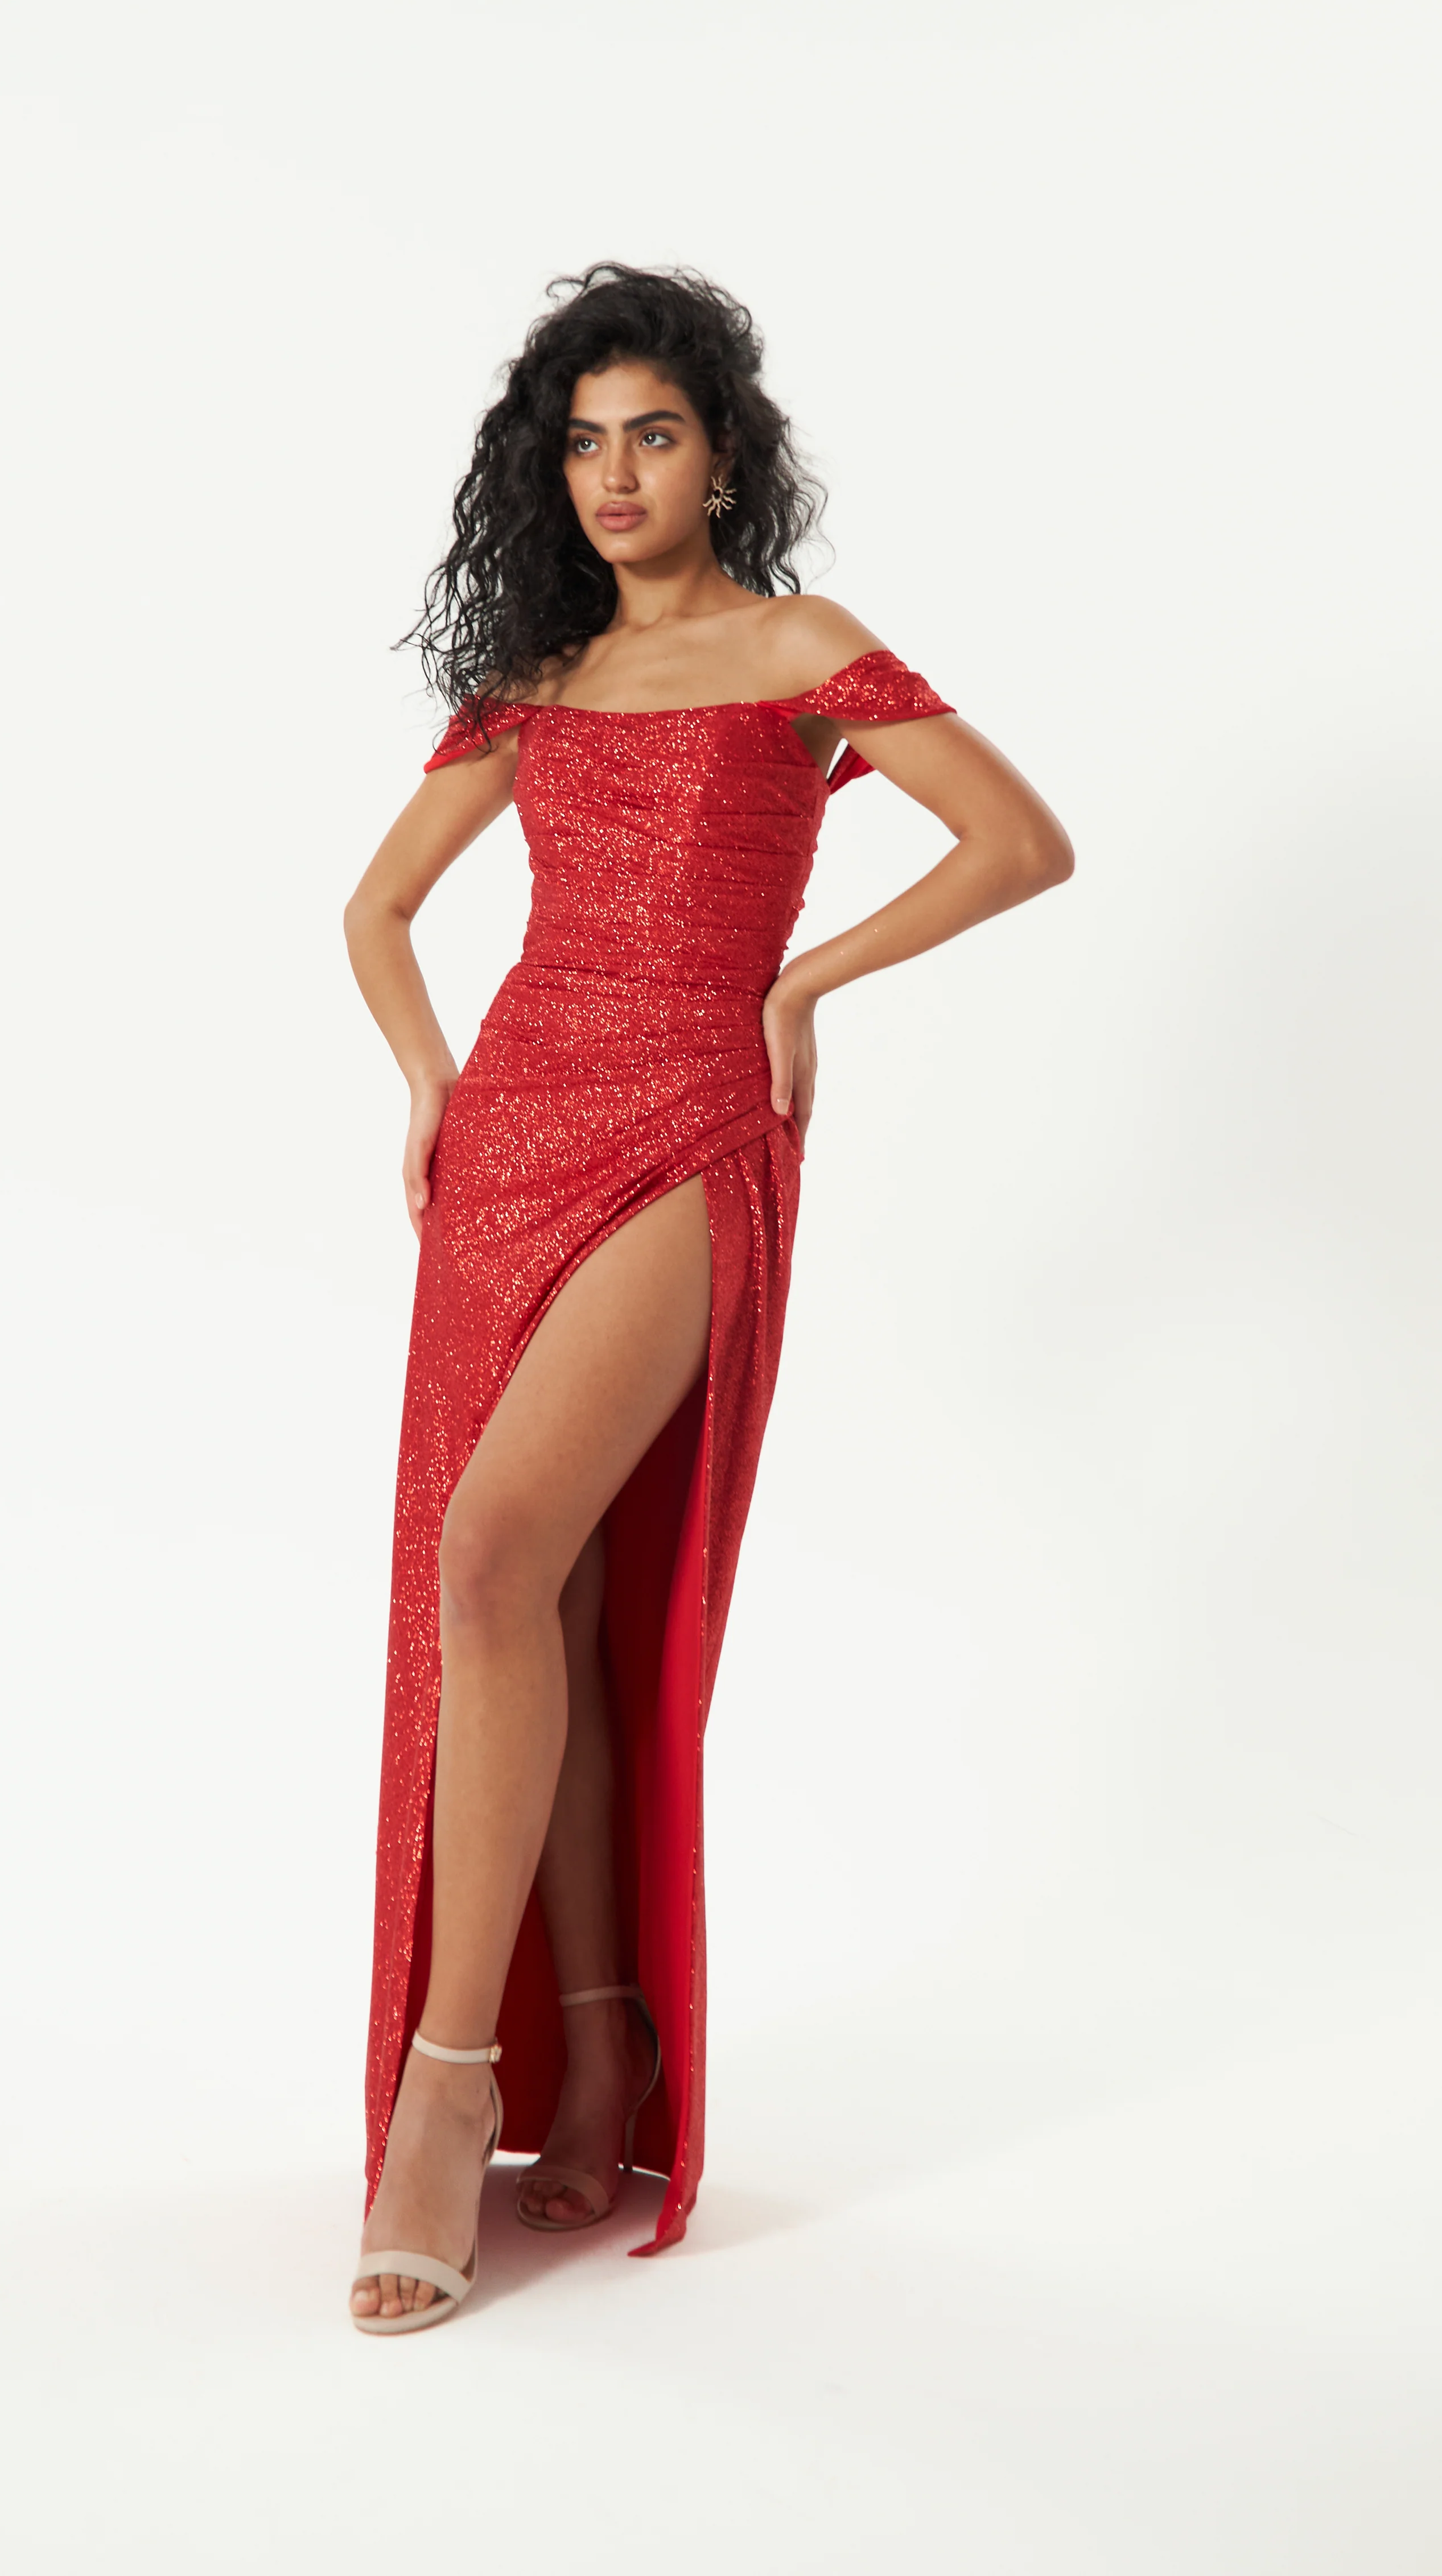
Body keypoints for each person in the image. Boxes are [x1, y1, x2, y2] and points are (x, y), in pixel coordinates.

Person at [343, 264, 1072, 2331]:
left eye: (651, 434)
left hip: (689, 1123)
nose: (613, 475)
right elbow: (378, 907)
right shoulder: (543, 678)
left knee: (494, 1554)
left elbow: (1018, 841)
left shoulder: (801, 649)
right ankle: (595, 2055)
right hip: (512, 1135)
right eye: (581, 442)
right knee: (541, 1596)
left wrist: (803, 982)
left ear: (724, 455)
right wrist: (430, 1083)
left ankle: (448, 2084)